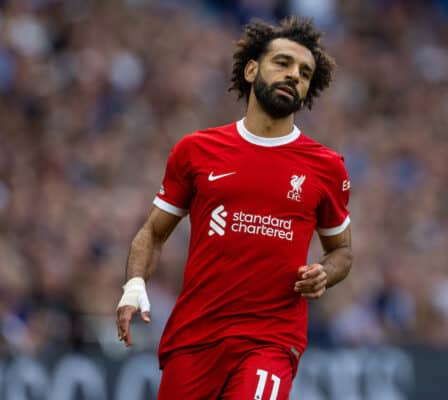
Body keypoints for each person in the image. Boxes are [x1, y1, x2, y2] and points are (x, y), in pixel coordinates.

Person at [115, 16, 352, 399]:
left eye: (305, 72)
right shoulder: (196, 150)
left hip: (270, 342)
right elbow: (153, 232)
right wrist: (134, 285)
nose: (294, 75)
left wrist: (325, 273)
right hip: (195, 338)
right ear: (251, 70)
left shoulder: (326, 167)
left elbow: (341, 250)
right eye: (283, 63)